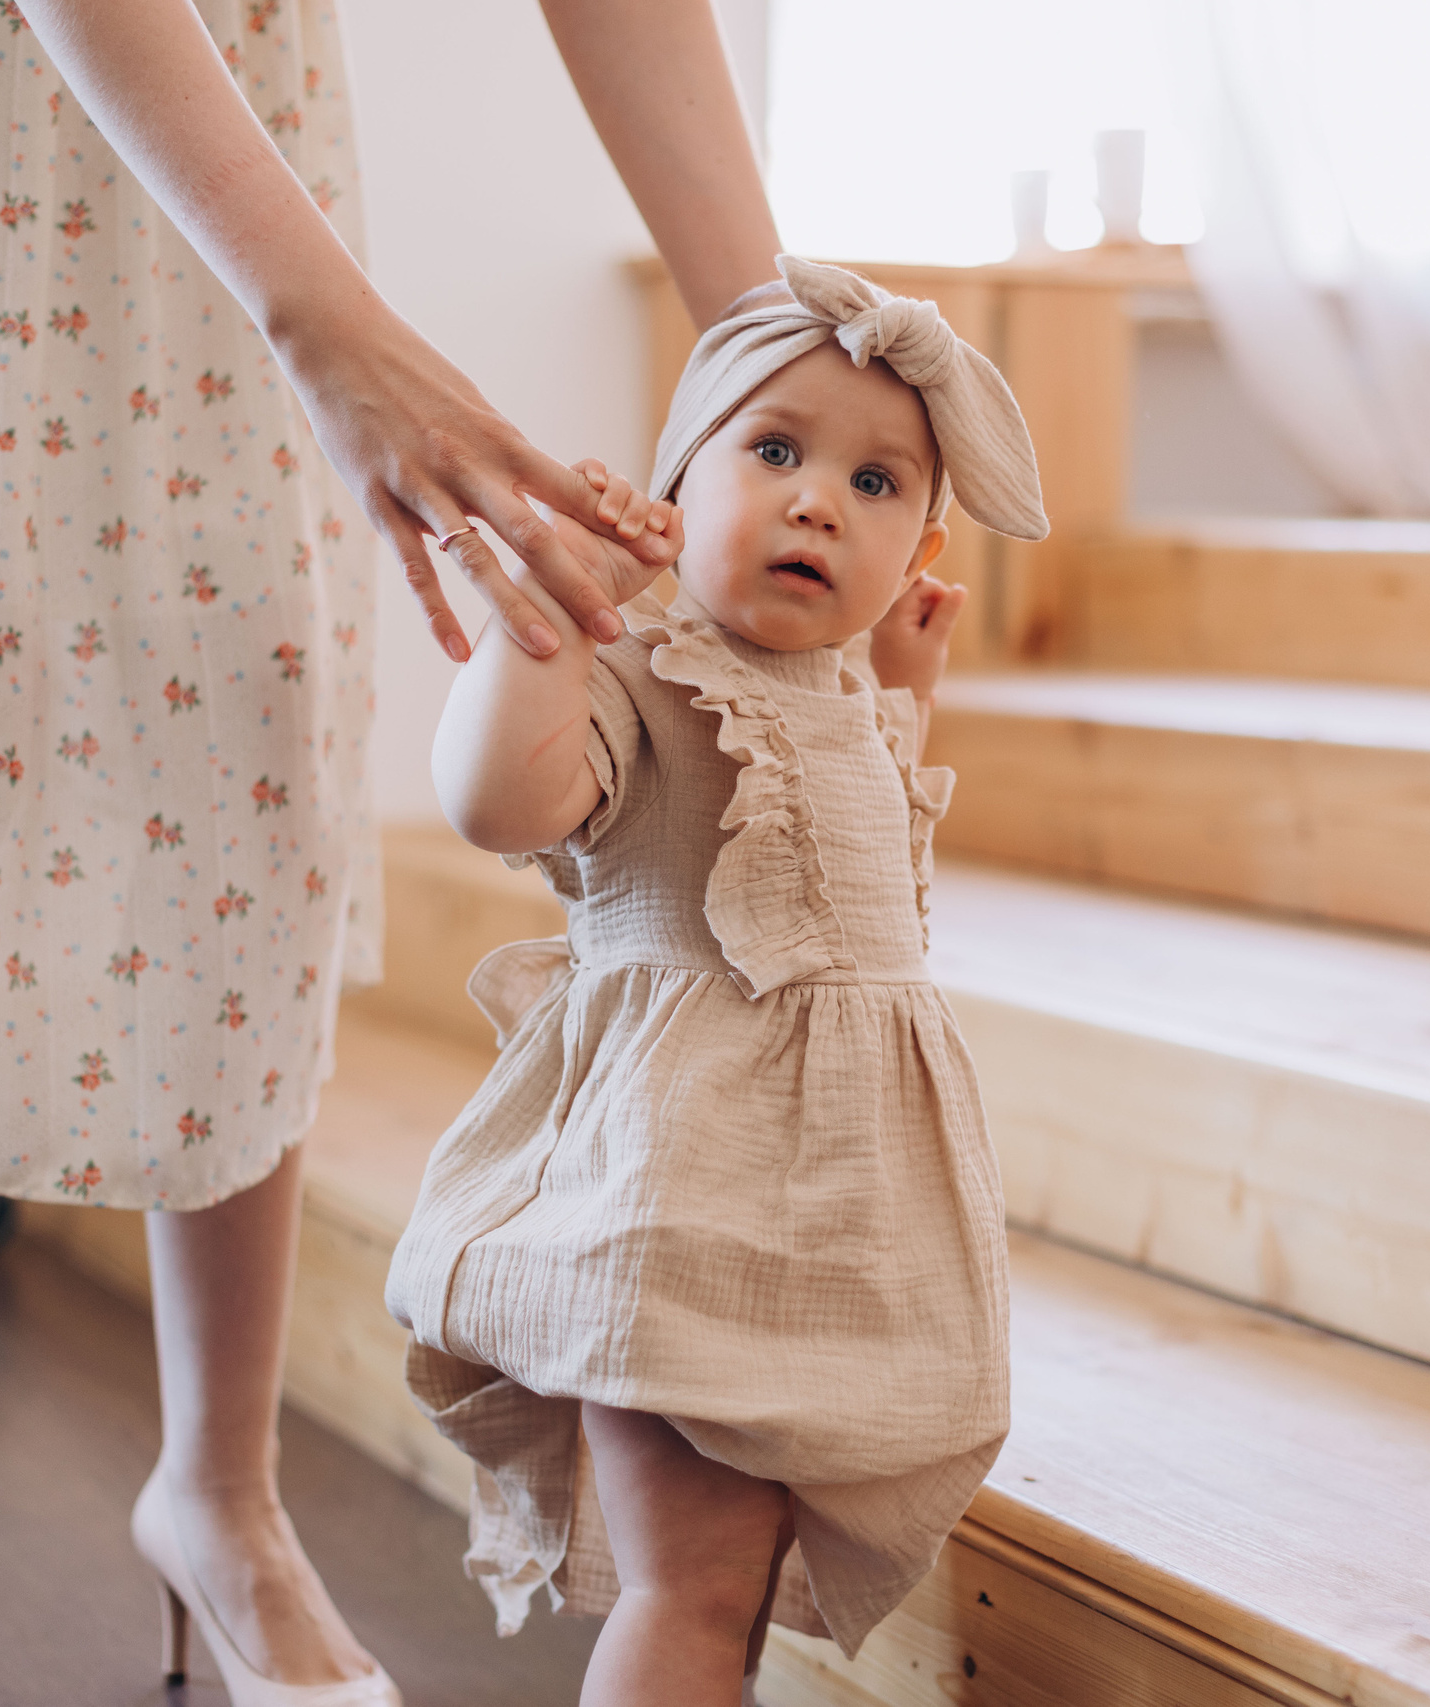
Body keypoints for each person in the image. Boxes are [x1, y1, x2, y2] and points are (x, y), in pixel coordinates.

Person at [0, 0, 782, 1698]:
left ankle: (222, 1499)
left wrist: (784, 359)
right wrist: (320, 312)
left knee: (250, 693)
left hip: (218, 76)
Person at [385, 257, 1050, 1707]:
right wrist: (554, 621)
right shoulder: (643, 674)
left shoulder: (850, 702)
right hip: (679, 1206)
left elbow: (867, 909)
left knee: (724, 1599)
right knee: (690, 1590)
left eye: (880, 487)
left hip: (825, 1225)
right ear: (671, 490)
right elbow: (498, 802)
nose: (820, 498)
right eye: (774, 451)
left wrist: (905, 688)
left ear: (924, 542)